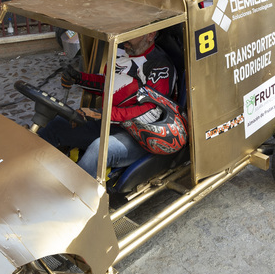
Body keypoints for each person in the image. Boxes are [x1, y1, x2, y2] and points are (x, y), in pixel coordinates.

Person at [37, 31, 174, 178]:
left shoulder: (159, 66)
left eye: (131, 33)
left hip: (139, 136)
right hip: (109, 124)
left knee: (100, 148)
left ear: (150, 35)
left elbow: (152, 111)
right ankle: (27, 172)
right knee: (56, 126)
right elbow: (109, 84)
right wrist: (79, 78)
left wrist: (101, 114)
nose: (124, 37)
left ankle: (74, 196)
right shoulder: (122, 51)